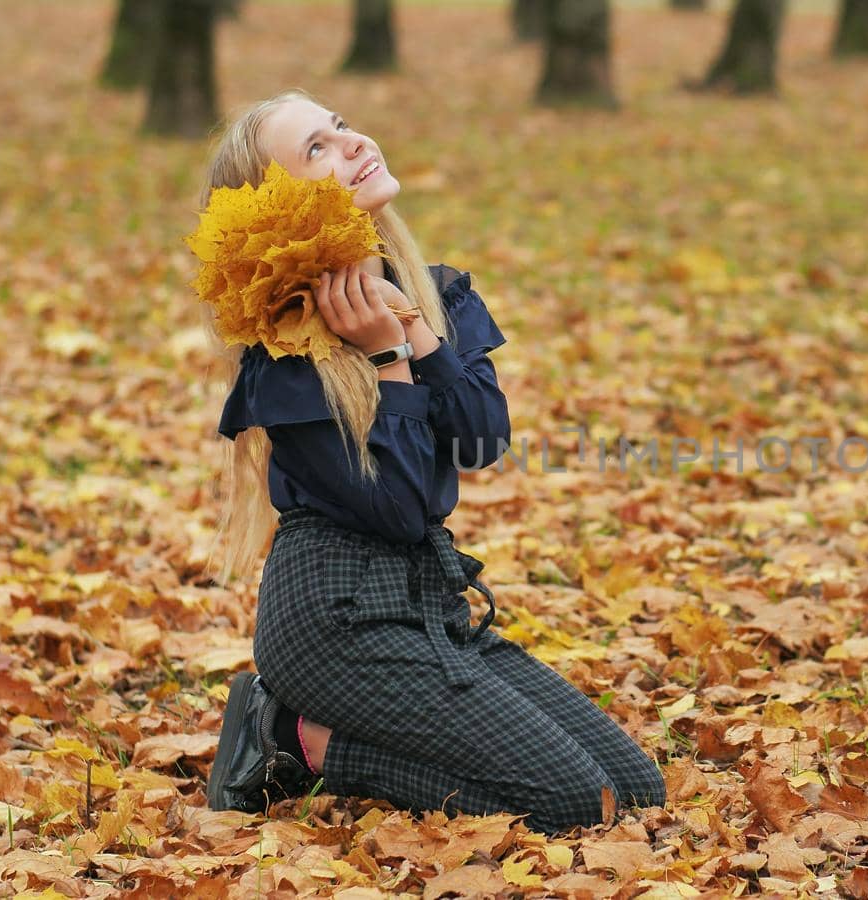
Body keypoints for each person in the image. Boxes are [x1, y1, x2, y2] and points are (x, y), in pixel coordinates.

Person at [196, 89, 666, 834]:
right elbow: (402, 507)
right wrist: (384, 359)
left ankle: (313, 735)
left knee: (637, 789)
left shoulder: (432, 293)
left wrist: (414, 335)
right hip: (331, 621)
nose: (351, 143)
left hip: (425, 602)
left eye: (342, 127)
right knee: (576, 802)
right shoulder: (288, 349)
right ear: (274, 212)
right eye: (316, 148)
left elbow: (482, 441)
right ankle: (293, 739)